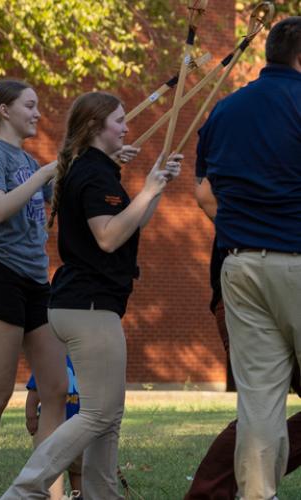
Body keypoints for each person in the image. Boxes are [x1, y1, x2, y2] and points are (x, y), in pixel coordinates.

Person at [1, 91, 182, 499]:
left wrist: (157, 186)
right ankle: (24, 492)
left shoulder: (93, 169)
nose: (127, 126)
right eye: (119, 120)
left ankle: (102, 496)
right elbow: (107, 237)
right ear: (95, 127)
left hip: (86, 306)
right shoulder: (95, 175)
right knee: (98, 412)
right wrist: (148, 189)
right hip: (89, 307)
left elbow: (127, 226)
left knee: (108, 414)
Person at [193, 17, 301, 499]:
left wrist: (243, 228)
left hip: (239, 265)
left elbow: (204, 193)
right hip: (296, 261)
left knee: (259, 405)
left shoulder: (224, 110)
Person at [0, 79, 69, 500]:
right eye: (30, 105)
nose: (38, 113)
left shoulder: (28, 161)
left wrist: (102, 160)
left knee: (57, 389)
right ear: (4, 110)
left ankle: (45, 491)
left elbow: (61, 196)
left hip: (34, 282)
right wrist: (45, 172)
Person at [185, 180, 301, 499]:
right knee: (260, 403)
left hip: (258, 282)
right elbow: (206, 195)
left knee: (261, 405)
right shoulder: (257, 153)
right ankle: (216, 492)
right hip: (249, 289)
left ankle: (245, 487)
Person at [26, 356, 82, 499]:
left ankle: (80, 495)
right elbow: (34, 391)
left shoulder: (85, 360)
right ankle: (54, 497)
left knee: (78, 468)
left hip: (79, 428)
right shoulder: (50, 357)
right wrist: (31, 417)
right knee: (51, 467)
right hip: (50, 427)